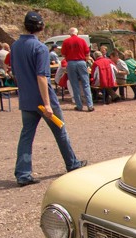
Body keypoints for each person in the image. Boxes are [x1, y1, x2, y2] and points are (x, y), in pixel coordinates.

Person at [10, 11, 86, 187]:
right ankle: (72, 163)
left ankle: (23, 173)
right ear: (42, 27)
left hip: (27, 98)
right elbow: (42, 77)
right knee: (61, 131)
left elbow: (15, 72)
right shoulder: (40, 48)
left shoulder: (15, 46)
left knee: (26, 136)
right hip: (43, 100)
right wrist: (46, 103)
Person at [61, 27, 94, 111]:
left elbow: (63, 54)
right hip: (81, 62)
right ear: (77, 33)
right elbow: (87, 53)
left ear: (70, 33)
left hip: (71, 63)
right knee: (86, 84)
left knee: (74, 85)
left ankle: (79, 105)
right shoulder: (82, 41)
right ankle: (90, 105)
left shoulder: (66, 41)